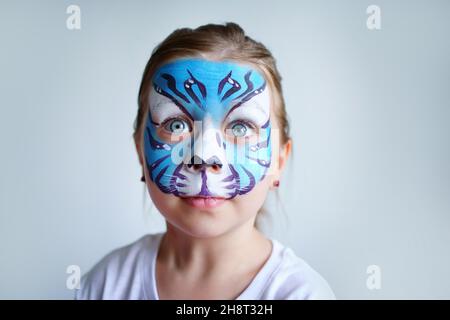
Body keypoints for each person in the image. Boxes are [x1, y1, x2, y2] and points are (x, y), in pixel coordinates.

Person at [76, 22, 335, 300]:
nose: (204, 156)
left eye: (240, 128)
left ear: (279, 161)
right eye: (176, 125)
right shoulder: (106, 285)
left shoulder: (301, 294)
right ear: (141, 152)